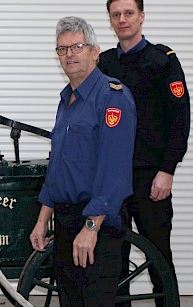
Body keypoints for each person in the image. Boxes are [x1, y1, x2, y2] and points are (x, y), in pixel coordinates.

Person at [29, 16, 137, 306]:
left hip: (97, 223)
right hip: (65, 222)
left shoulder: (112, 98)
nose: (69, 55)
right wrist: (42, 221)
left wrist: (91, 227)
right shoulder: (67, 101)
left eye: (77, 46)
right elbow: (58, 168)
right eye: (62, 49)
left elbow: (114, 170)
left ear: (94, 51)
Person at [98, 1, 190, 306]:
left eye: (129, 13)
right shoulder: (105, 64)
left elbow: (180, 118)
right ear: (110, 20)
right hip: (113, 179)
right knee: (113, 257)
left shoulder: (162, 60)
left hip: (151, 177)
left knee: (158, 255)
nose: (122, 20)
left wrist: (168, 170)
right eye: (116, 15)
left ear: (141, 16)